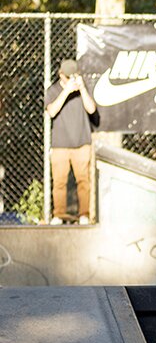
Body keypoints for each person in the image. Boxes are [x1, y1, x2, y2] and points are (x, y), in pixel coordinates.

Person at [44, 59, 98, 224]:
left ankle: (84, 215)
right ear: (61, 75)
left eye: (74, 77)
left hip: (82, 142)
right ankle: (59, 215)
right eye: (68, 77)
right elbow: (52, 111)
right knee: (59, 182)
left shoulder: (83, 89)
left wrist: (81, 89)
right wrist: (66, 91)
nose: (71, 80)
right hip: (61, 144)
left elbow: (91, 109)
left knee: (83, 181)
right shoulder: (53, 90)